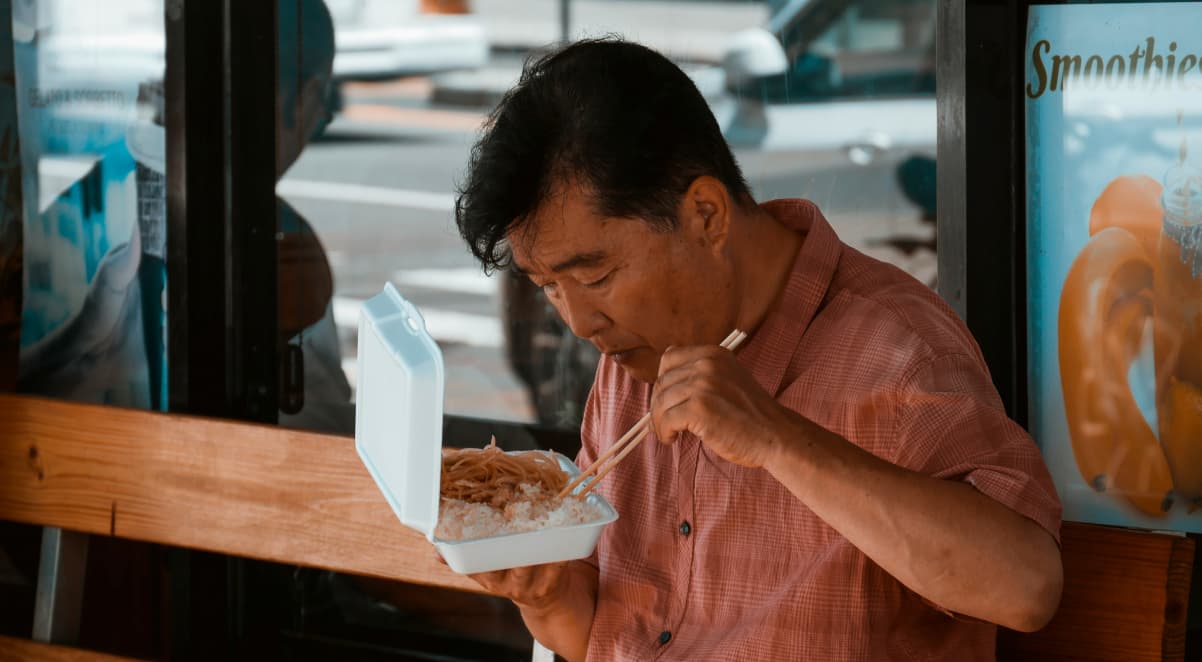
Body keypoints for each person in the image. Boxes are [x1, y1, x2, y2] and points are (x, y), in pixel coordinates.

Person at [453, 39, 1062, 661]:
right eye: (549, 287)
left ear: (707, 215)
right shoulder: (631, 361)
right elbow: (608, 632)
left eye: (596, 277)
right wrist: (546, 596)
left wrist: (775, 436)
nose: (579, 322)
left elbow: (1027, 587)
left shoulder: (898, 348)